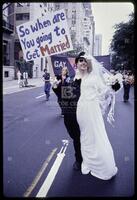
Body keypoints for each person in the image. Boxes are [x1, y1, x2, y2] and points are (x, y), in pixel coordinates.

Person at [75, 52, 118, 180]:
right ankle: (87, 162)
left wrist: (112, 85)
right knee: (85, 136)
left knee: (96, 135)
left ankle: (103, 165)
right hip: (81, 109)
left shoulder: (95, 77)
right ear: (77, 63)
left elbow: (104, 91)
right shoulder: (79, 76)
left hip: (92, 109)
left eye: (85, 61)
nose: (83, 63)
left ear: (89, 64)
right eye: (81, 61)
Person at [52, 66, 83, 170]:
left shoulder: (85, 81)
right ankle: (80, 158)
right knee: (75, 137)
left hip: (83, 114)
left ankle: (79, 160)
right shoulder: (66, 81)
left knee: (81, 138)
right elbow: (61, 94)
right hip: (69, 115)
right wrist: (55, 86)